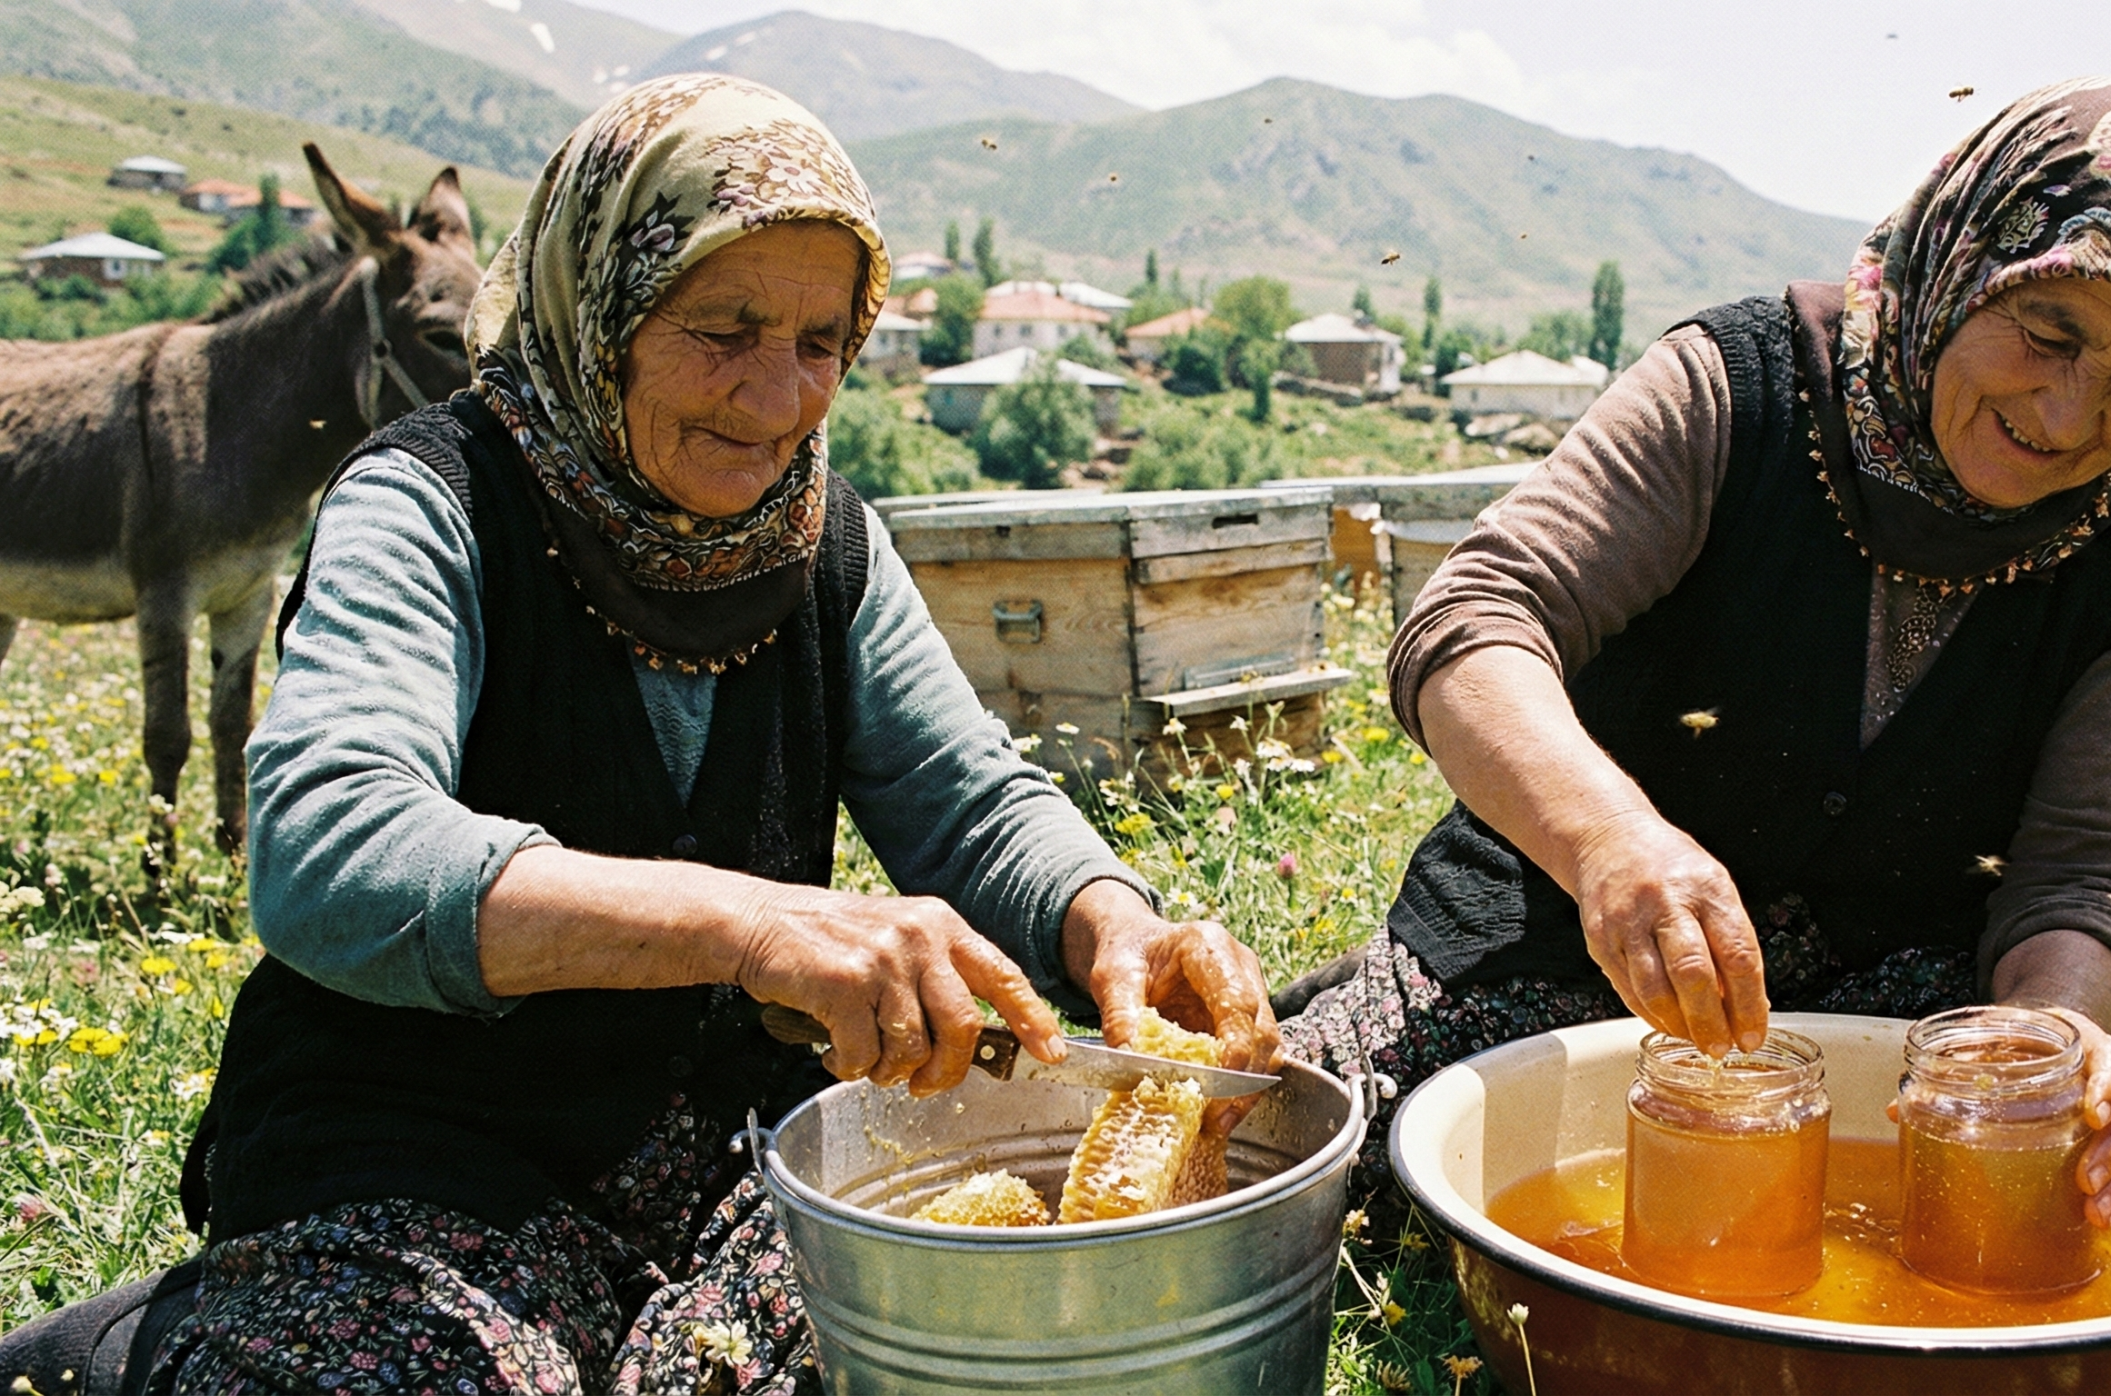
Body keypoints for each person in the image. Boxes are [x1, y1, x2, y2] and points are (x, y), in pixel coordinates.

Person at [71, 75, 1275, 1394]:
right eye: (725, 326)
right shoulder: (432, 504)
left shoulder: (822, 543)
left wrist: (1112, 925)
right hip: (414, 1162)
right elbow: (328, 851)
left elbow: (973, 802)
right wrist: (754, 927)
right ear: (607, 307)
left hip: (720, 1177)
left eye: (823, 341)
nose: (776, 396)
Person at [1282, 77, 2111, 1226]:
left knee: (2097, 1171)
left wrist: (2050, 1031)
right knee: (1327, 1165)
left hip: (1914, 1000)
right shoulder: (1736, 393)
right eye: (2045, 334)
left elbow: (2090, 868)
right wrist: (1610, 843)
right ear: (1961, 266)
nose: (2064, 415)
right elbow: (1474, 625)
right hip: (1575, 968)